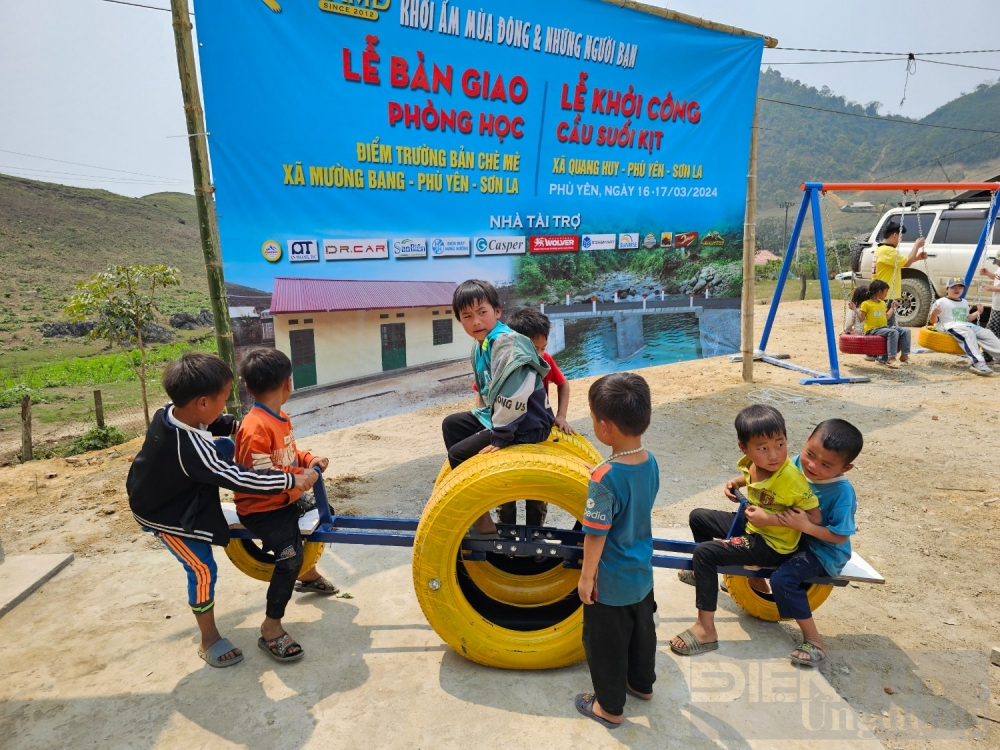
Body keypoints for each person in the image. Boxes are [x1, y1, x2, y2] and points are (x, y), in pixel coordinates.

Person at [126, 353, 317, 668]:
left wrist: (247, 429)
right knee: (202, 568)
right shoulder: (193, 451)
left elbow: (218, 428)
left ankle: (305, 570)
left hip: (168, 483)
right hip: (164, 512)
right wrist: (291, 479)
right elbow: (238, 477)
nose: (227, 406)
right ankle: (209, 638)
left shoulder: (171, 411)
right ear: (201, 403)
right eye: (224, 399)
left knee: (228, 447)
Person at [669, 405, 820, 656]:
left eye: (780, 444)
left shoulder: (791, 479)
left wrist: (769, 519)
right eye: (763, 448)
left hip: (773, 546)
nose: (774, 455)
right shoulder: (753, 463)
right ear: (744, 448)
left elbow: (813, 518)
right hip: (753, 527)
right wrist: (735, 482)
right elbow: (751, 476)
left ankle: (706, 631)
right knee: (698, 517)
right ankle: (702, 577)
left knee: (705, 553)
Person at [233, 348, 339, 663]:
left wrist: (308, 460)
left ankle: (308, 575)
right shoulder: (255, 428)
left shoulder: (279, 417)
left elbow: (288, 455)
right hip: (261, 508)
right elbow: (264, 475)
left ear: (249, 388)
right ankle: (271, 629)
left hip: (284, 498)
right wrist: (299, 476)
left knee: (321, 517)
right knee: (290, 558)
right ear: (288, 384)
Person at [574, 373, 658, 730]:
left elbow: (595, 535)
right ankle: (641, 685)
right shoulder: (650, 460)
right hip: (641, 572)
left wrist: (586, 577)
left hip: (610, 582)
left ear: (604, 428)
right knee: (643, 632)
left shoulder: (604, 477)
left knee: (605, 644)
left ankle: (608, 708)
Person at [441, 280, 555, 538]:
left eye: (482, 312)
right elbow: (486, 390)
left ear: (497, 311)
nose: (476, 321)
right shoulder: (482, 345)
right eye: (467, 316)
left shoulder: (508, 342)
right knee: (452, 424)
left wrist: (500, 436)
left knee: (459, 454)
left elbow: (516, 391)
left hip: (528, 423)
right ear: (460, 321)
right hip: (506, 418)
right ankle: (483, 503)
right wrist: (485, 421)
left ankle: (483, 523)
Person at [752, 419, 863, 667]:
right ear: (804, 444)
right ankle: (755, 579)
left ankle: (813, 639)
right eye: (809, 454)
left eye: (825, 464)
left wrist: (807, 527)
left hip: (824, 551)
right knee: (754, 538)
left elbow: (840, 536)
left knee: (783, 578)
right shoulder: (793, 465)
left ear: (846, 468)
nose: (812, 465)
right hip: (795, 536)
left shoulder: (842, 493)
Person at [497, 308, 573, 528]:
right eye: (534, 349)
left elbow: (563, 384)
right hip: (511, 431)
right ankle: (506, 532)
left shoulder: (545, 360)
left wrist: (561, 416)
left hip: (537, 430)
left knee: (536, 486)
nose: (539, 355)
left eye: (543, 348)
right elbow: (482, 394)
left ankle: (536, 534)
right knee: (506, 486)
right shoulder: (506, 363)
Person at [928, 277, 1000, 377]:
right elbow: (933, 321)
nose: (957, 290)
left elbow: (967, 318)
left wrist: (979, 312)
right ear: (947, 289)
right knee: (968, 334)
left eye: (960, 288)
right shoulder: (941, 302)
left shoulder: (964, 302)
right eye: (953, 287)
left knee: (986, 333)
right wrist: (934, 314)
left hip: (964, 325)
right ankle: (978, 363)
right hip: (948, 325)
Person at [855, 279, 911, 368]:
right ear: (879, 292)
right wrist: (855, 309)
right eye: (886, 292)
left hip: (883, 328)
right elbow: (861, 319)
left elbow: (886, 317)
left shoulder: (882, 304)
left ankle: (904, 356)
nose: (886, 294)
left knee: (906, 331)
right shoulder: (866, 304)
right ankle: (891, 358)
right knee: (893, 332)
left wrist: (892, 308)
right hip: (872, 330)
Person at [873, 219, 927, 301]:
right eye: (901, 237)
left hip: (882, 294)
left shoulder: (881, 249)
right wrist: (916, 246)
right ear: (895, 235)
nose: (900, 241)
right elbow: (907, 263)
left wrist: (917, 258)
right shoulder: (888, 251)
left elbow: (903, 263)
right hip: (886, 295)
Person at [978, 257, 1000, 338]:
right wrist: (987, 273)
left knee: (991, 329)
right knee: (993, 329)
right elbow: (996, 277)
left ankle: (988, 348)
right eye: (997, 262)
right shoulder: (999, 268)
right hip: (996, 305)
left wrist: (995, 288)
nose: (998, 264)